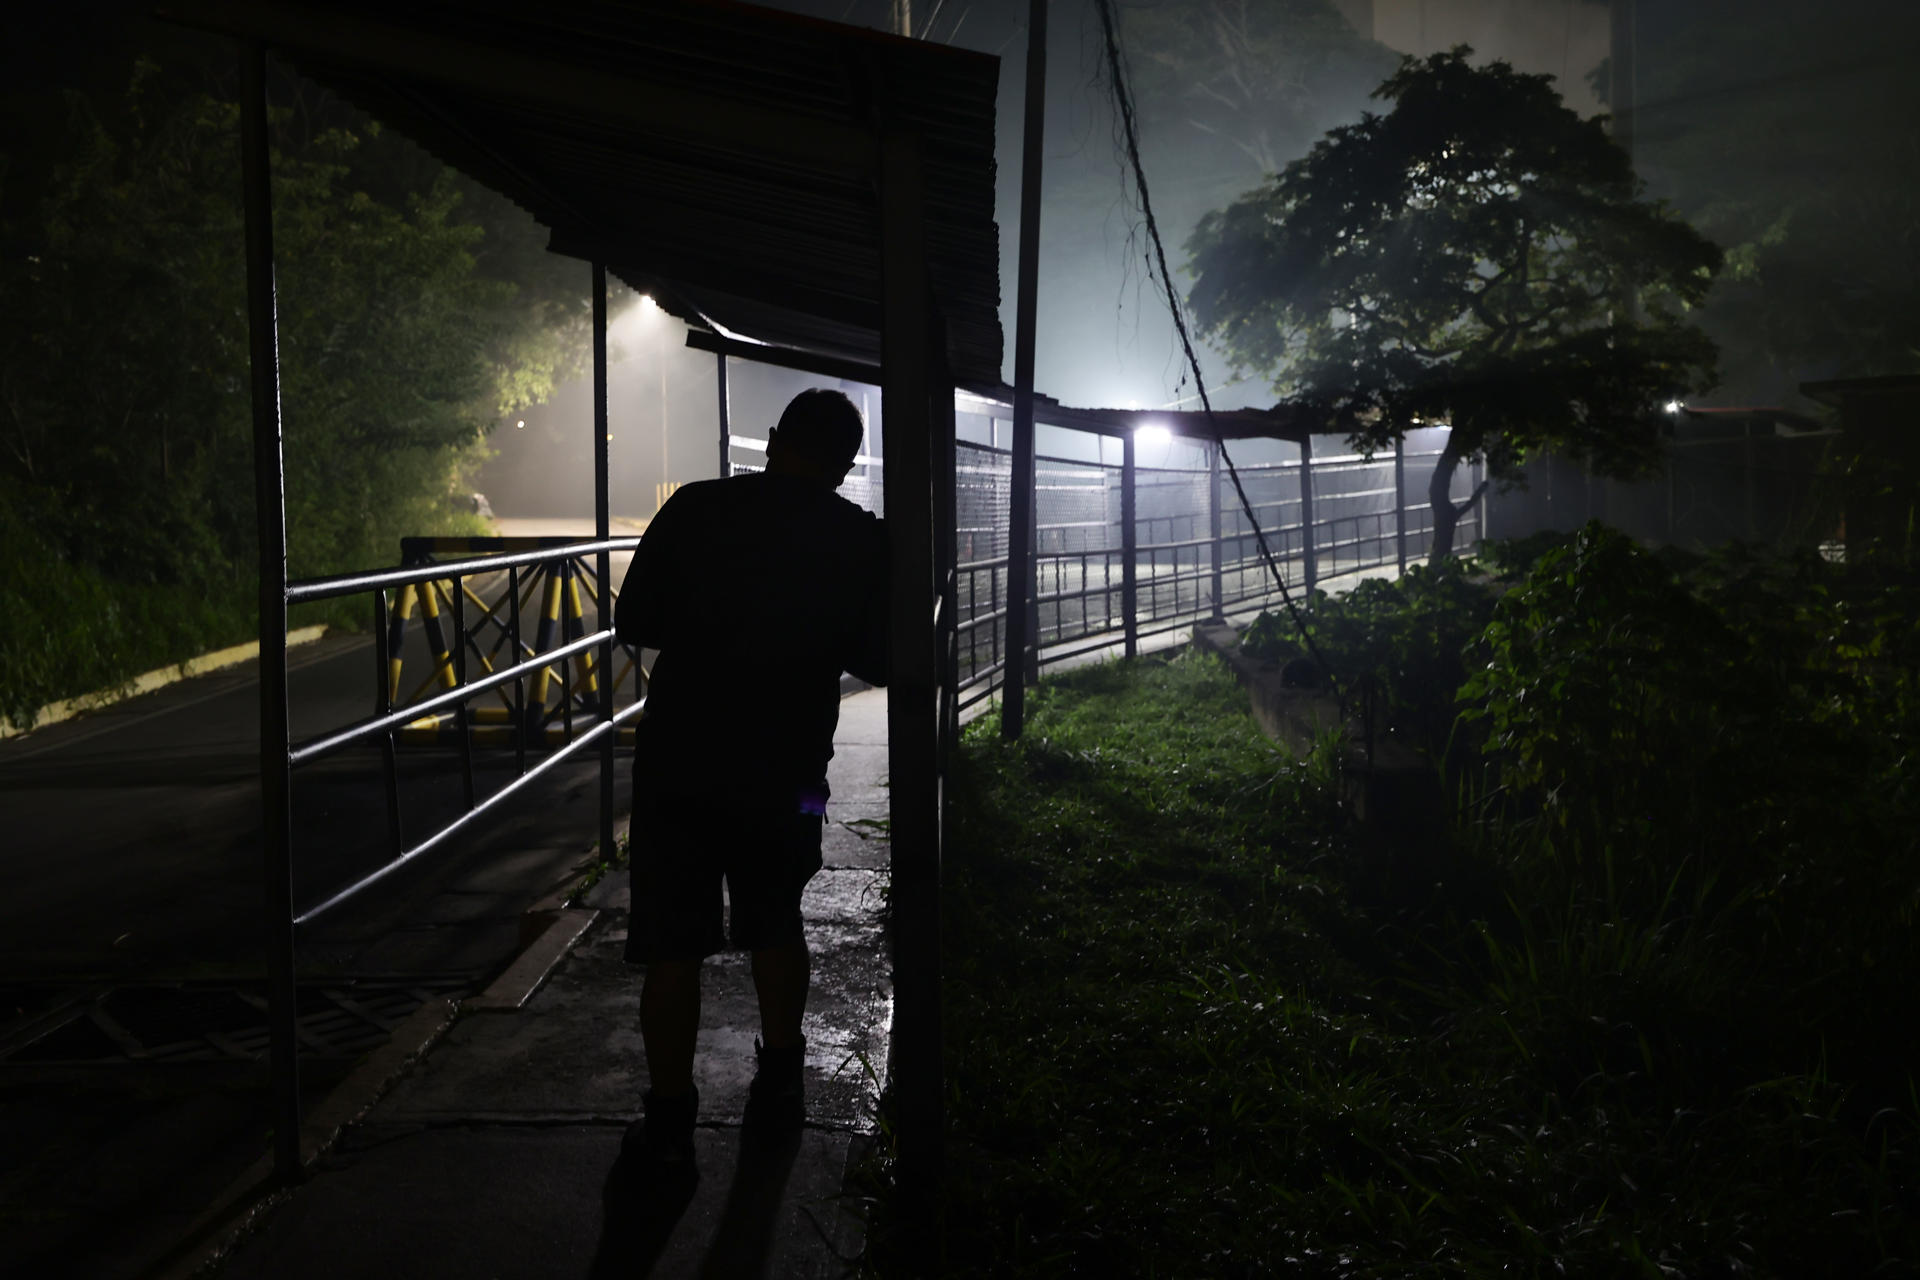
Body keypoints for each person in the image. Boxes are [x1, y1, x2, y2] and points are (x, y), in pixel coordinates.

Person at [613, 387, 888, 1171]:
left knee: (672, 945)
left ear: (772, 439)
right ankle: (780, 1083)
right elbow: (880, 657)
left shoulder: (696, 508)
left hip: (678, 763)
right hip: (793, 769)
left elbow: (635, 622)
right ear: (846, 465)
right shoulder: (854, 536)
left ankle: (670, 1121)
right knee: (777, 918)